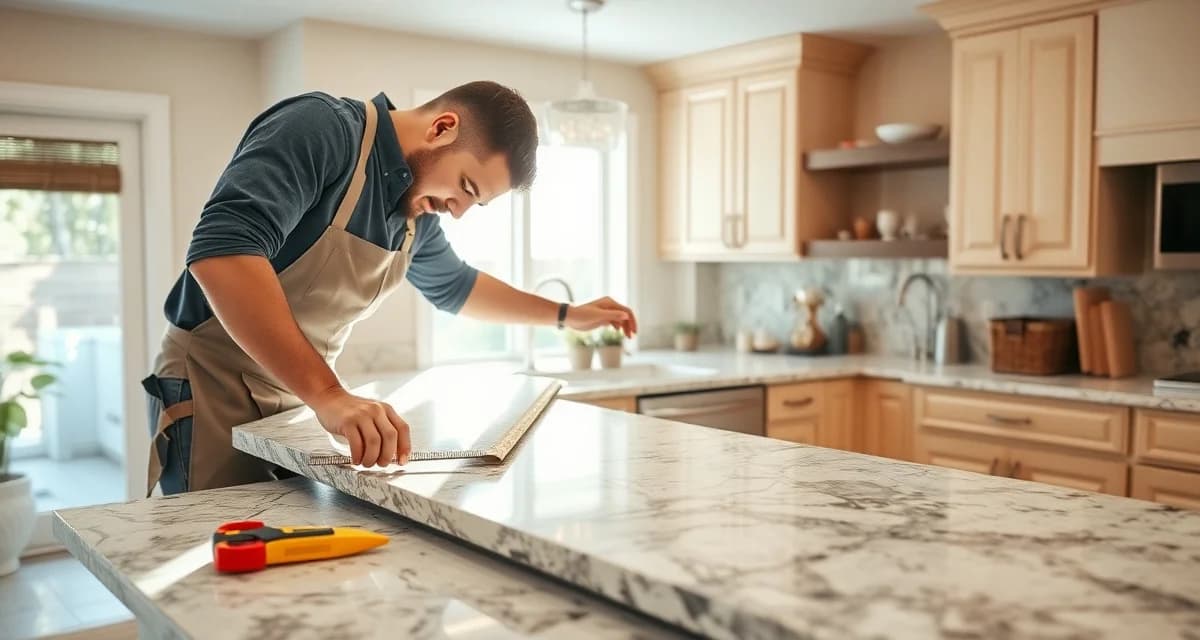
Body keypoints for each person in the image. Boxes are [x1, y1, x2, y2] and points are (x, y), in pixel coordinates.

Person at [142, 81, 637, 496]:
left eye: (475, 203)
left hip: (294, 397)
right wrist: (330, 395)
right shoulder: (323, 128)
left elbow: (455, 287)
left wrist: (568, 315)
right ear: (443, 128)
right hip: (211, 386)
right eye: (465, 186)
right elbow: (223, 251)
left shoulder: (413, 210)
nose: (458, 209)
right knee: (215, 569)